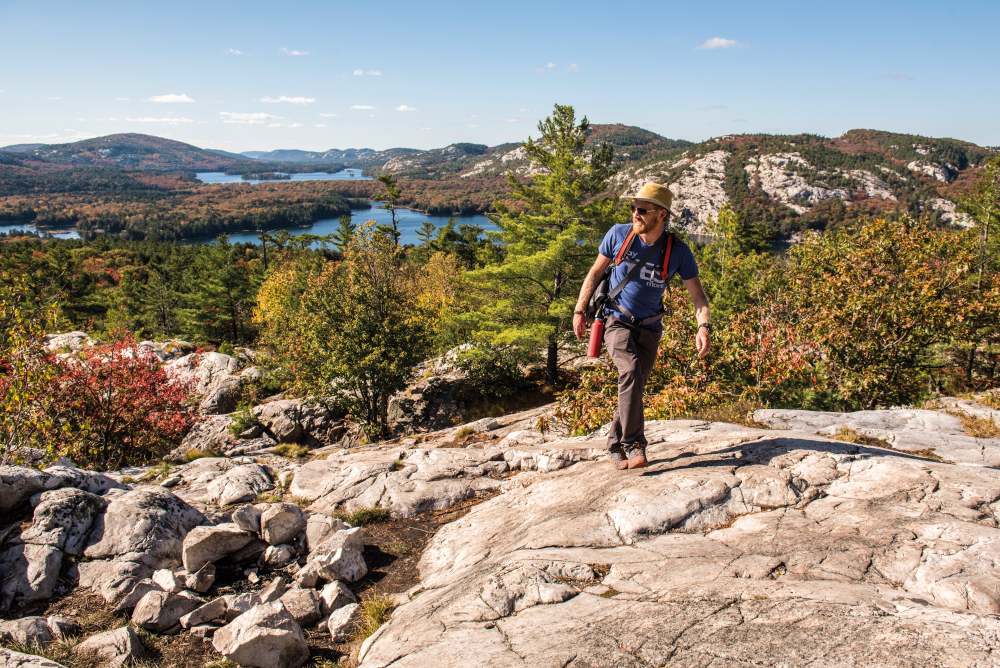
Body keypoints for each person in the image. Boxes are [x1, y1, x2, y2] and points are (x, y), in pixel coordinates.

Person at [573, 182, 710, 469]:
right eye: (634, 208)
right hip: (616, 319)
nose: (635, 214)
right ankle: (634, 445)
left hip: (650, 327)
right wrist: (580, 309)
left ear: (661, 215)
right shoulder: (618, 235)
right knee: (631, 371)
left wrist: (703, 327)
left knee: (633, 384)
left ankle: (613, 444)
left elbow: (698, 296)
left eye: (642, 210)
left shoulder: (678, 251)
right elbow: (595, 272)